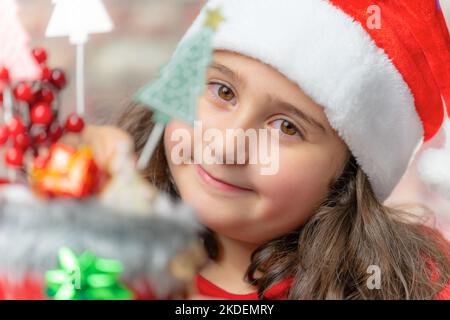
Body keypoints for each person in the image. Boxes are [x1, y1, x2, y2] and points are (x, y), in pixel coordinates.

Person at [97, 0, 450, 299]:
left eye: (286, 127)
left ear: (348, 174)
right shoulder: (80, 241)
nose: (226, 147)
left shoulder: (414, 286)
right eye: (222, 92)